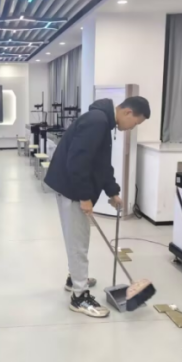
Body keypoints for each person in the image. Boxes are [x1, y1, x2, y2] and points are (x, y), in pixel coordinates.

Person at [44, 96, 151, 318]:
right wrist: (84, 196)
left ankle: (75, 278)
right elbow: (78, 162)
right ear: (127, 113)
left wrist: (112, 191)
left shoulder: (102, 121)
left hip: (72, 188)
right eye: (135, 123)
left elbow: (101, 164)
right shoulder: (97, 122)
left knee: (78, 239)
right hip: (72, 190)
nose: (131, 128)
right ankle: (79, 296)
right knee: (78, 242)